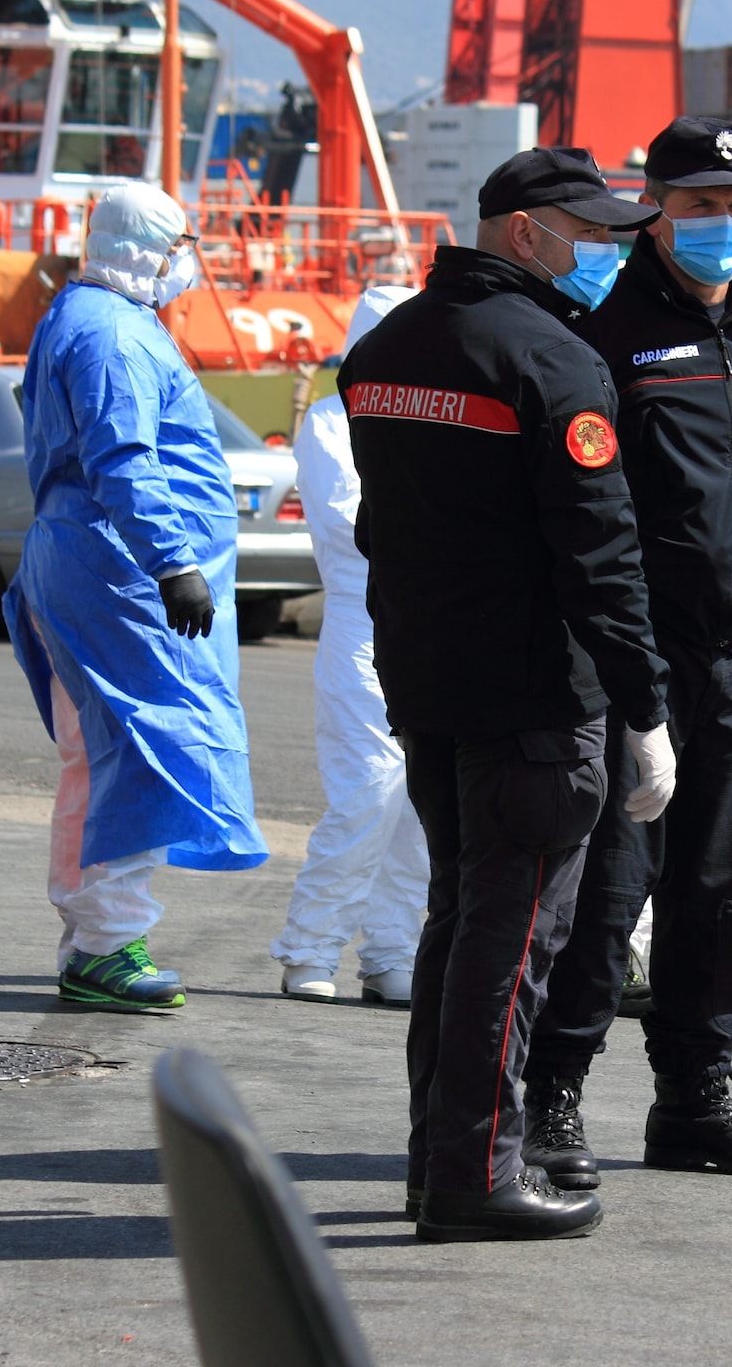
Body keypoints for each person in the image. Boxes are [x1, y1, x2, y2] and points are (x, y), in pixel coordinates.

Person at [342, 147, 675, 1243]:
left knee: (458, 918)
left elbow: (375, 530)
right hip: (535, 698)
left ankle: (434, 1155)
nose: (609, 254)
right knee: (514, 935)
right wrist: (644, 707)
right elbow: (601, 558)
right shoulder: (554, 364)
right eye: (594, 235)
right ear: (525, 232)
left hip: (429, 681)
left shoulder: (385, 350)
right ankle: (478, 1167)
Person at [522, 117, 732, 1185]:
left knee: (726, 890)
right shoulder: (605, 325)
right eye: (699, 204)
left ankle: (694, 1096)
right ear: (653, 206)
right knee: (606, 890)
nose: (722, 223)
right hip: (633, 660)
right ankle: (550, 1097)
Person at [5, 181, 269, 1012]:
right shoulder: (116, 335)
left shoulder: (78, 318)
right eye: (182, 244)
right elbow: (124, 459)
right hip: (120, 571)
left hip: (87, 558)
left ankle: (92, 932)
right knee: (153, 751)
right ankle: (108, 943)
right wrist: (173, 562)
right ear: (149, 249)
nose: (187, 262)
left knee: (100, 756)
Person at [269, 285, 430, 1006]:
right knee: (368, 792)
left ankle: (391, 954)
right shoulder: (333, 422)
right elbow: (346, 526)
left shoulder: (436, 415)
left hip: (432, 630)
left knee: (423, 805)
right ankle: (310, 945)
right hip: (363, 632)